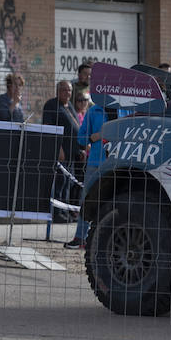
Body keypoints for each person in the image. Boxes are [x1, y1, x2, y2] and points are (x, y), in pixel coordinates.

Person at [63, 98, 116, 250]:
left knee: (112, 202)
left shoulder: (125, 110)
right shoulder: (94, 110)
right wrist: (93, 137)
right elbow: (81, 137)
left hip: (118, 164)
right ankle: (80, 238)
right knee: (87, 199)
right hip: (95, 163)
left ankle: (105, 242)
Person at [42, 81, 81, 221]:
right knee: (60, 182)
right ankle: (57, 213)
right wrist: (58, 148)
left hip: (72, 153)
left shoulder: (69, 105)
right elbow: (48, 128)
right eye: (64, 90)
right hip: (61, 153)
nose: (67, 93)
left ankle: (65, 212)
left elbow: (76, 126)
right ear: (58, 91)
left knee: (68, 183)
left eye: (69, 90)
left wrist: (81, 148)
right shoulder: (52, 106)